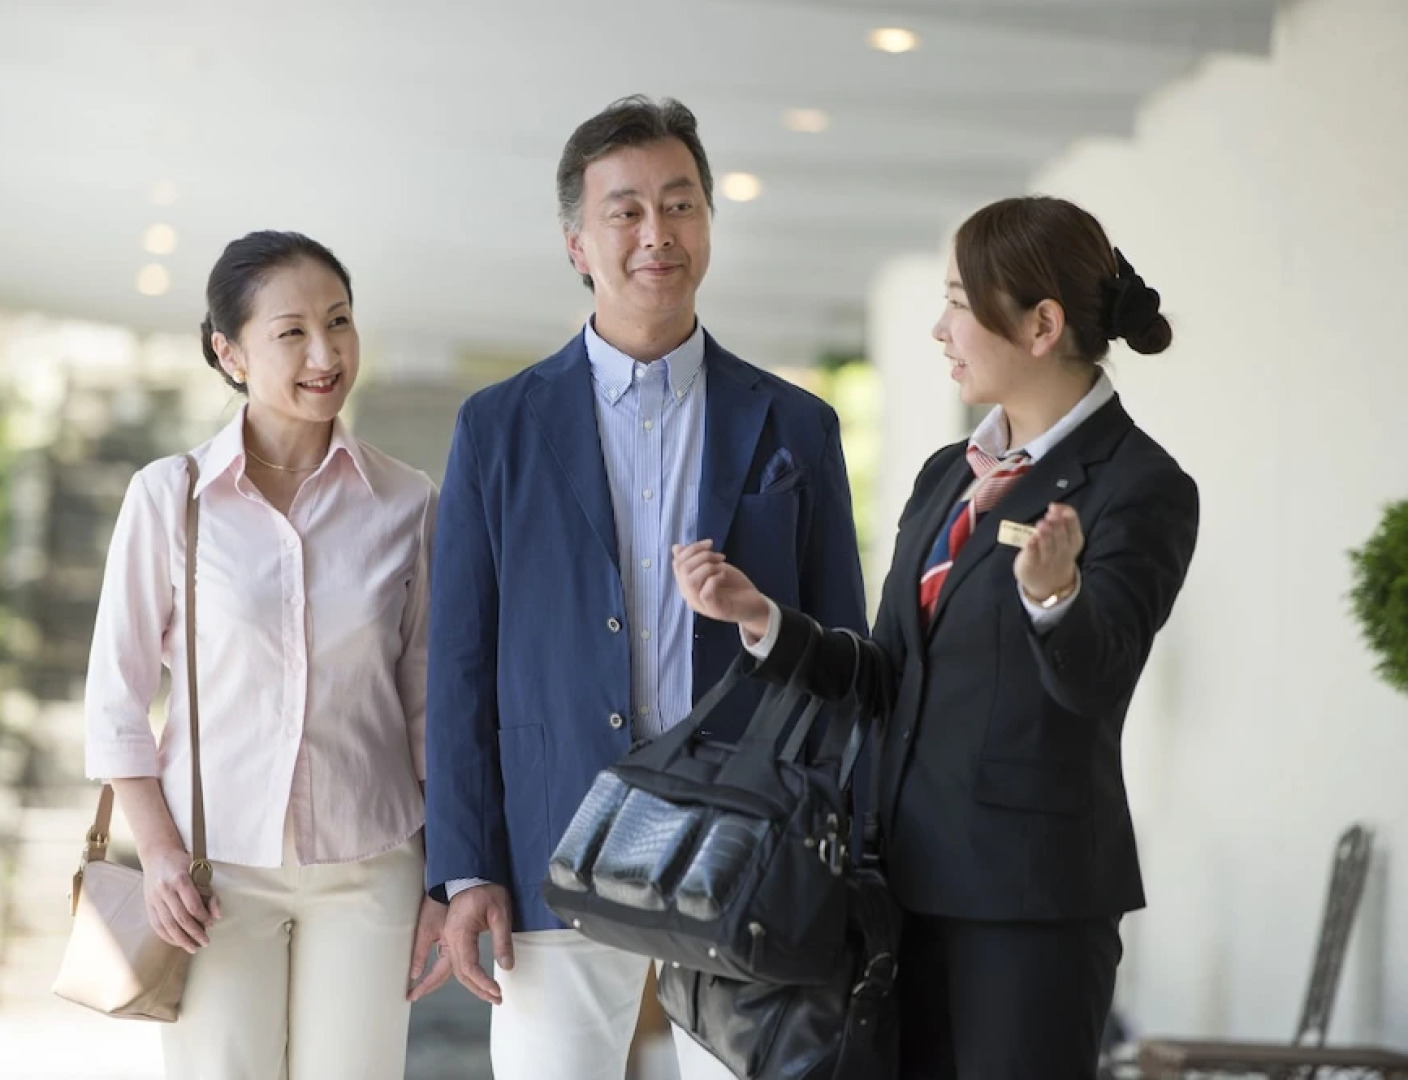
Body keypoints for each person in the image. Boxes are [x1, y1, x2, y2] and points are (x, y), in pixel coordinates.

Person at [673, 195, 1199, 1080]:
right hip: (894, 893)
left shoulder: (1140, 485)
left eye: (958, 301)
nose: (938, 328)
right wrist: (764, 621)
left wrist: (1057, 594)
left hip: (1026, 911)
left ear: (1041, 325)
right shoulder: (948, 476)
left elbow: (1100, 675)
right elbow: (887, 673)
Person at [422, 95, 869, 1080]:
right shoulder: (498, 427)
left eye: (679, 204)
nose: (655, 234)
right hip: (555, 835)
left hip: (749, 849)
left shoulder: (796, 425)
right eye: (624, 211)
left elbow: (845, 651)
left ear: (708, 221)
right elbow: (458, 661)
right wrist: (465, 867)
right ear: (578, 243)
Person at [83, 230, 449, 1080]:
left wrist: (446, 877)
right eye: (291, 332)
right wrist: (162, 856)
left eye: (340, 322)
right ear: (230, 351)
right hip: (213, 878)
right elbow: (115, 699)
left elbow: (429, 701)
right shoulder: (168, 498)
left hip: (373, 864)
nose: (325, 354)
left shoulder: (407, 501)